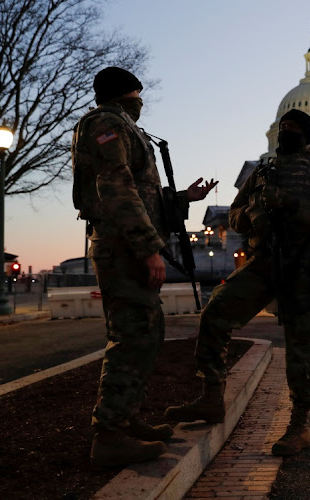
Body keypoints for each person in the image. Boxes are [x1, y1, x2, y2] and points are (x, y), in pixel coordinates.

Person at [165, 109, 310, 457]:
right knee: (215, 312)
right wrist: (252, 215)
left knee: (301, 346)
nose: (283, 133)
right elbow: (234, 214)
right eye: (281, 128)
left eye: (290, 129)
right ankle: (212, 397)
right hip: (264, 261)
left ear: (306, 136)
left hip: (302, 264)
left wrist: (291, 204)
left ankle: (299, 424)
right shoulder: (262, 172)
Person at [71, 66, 217, 468]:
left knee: (147, 333)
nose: (142, 99)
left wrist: (183, 197)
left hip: (127, 246)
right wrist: (148, 248)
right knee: (132, 336)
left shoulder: (120, 126)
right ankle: (110, 434)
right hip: (123, 250)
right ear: (128, 93)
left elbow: (143, 194)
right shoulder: (106, 124)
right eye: (139, 93)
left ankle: (126, 416)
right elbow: (115, 187)